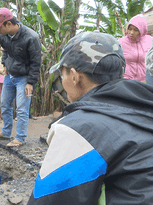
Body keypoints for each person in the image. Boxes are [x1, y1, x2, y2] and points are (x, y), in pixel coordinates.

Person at [27, 31, 153, 204]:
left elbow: (50, 199)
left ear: (74, 76)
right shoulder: (144, 106)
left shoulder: (78, 129)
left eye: (62, 74)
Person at [0, 8, 41, 147]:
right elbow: (5, 50)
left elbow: (36, 62)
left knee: (22, 109)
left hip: (24, 78)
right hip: (9, 76)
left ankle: (20, 137)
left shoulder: (31, 37)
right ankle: (5, 132)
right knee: (5, 104)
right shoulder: (3, 36)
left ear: (9, 23)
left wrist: (30, 82)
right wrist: (5, 64)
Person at [118, 14, 152, 83]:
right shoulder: (120, 42)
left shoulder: (150, 41)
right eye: (130, 29)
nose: (131, 33)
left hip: (145, 80)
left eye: (136, 30)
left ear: (142, 30)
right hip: (126, 80)